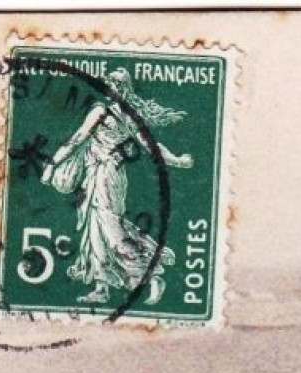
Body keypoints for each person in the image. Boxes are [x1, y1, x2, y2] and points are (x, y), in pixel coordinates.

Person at [40, 68, 192, 305]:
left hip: (106, 175)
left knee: (111, 231)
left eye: (113, 84)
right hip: (99, 175)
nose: (110, 87)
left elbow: (78, 138)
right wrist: (177, 160)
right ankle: (101, 288)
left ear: (120, 89)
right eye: (109, 83)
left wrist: (52, 164)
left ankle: (150, 276)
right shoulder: (127, 116)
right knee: (95, 231)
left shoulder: (102, 111)